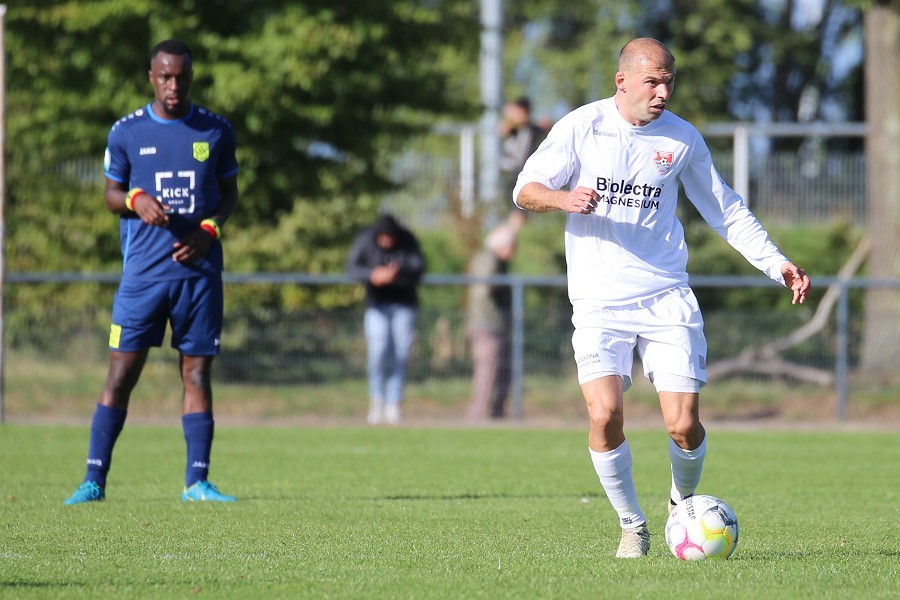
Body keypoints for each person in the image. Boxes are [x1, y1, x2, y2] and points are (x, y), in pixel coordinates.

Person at [512, 38, 811, 557]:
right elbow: (524, 189)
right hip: (599, 301)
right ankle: (633, 524)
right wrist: (564, 198)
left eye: (669, 81)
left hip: (665, 296)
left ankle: (682, 507)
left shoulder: (682, 138)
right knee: (604, 415)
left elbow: (726, 210)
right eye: (652, 81)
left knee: (683, 424)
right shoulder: (583, 126)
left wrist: (776, 262)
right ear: (622, 81)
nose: (663, 91)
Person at [64, 39, 239, 505]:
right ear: (151, 77)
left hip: (198, 275)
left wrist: (208, 229)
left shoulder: (215, 131)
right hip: (142, 276)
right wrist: (133, 200)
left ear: (191, 77)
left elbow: (229, 196)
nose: (173, 84)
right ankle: (93, 481)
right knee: (121, 375)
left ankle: (196, 482)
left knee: (197, 374)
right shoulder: (126, 132)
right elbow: (109, 195)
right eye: (165, 76)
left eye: (181, 76)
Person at [347, 213, 426, 425]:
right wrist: (373, 274)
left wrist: (397, 271)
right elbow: (353, 267)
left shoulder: (407, 240)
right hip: (377, 305)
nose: (387, 242)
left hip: (404, 305)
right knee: (378, 351)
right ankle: (377, 401)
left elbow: (419, 266)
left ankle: (394, 403)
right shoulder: (366, 239)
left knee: (401, 353)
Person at [465, 211, 526, 420]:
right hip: (487, 325)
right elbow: (482, 290)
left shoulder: (493, 261)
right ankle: (478, 416)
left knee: (500, 372)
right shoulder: (488, 260)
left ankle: (495, 412)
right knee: (487, 372)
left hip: (494, 324)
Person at [499, 97, 546, 192]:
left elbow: (545, 126)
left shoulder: (531, 129)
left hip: (523, 172)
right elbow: (503, 130)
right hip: (508, 171)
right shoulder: (512, 127)